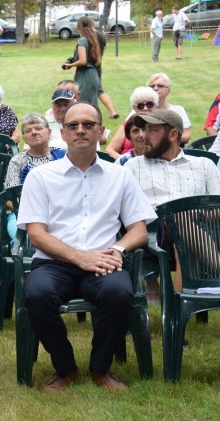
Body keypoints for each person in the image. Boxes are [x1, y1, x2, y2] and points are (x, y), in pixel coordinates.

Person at [16, 102, 156, 391]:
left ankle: (100, 368)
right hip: (54, 261)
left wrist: (117, 250)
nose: (80, 129)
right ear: (63, 134)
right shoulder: (41, 177)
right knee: (37, 295)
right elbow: (36, 234)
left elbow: (139, 231)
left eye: (89, 124)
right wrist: (79, 258)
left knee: (119, 293)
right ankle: (65, 368)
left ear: (102, 132)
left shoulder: (120, 175)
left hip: (103, 260)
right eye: (73, 125)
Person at [124, 109, 220, 291]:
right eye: (143, 129)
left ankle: (178, 308)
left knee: (182, 237)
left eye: (152, 130)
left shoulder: (203, 165)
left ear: (173, 134)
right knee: (177, 216)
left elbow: (218, 206)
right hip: (154, 233)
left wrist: (193, 215)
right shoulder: (133, 167)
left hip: (203, 229)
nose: (144, 135)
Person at [3, 113, 67, 239]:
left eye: (38, 128)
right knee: (23, 238)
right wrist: (32, 214)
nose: (34, 132)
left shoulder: (64, 157)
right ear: (24, 138)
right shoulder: (17, 161)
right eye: (28, 131)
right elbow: (10, 199)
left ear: (49, 132)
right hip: (22, 215)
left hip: (59, 213)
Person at [105, 86, 159, 158]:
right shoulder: (129, 124)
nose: (145, 108)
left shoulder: (161, 126)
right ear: (134, 108)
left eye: (149, 104)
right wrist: (126, 162)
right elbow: (110, 150)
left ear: (156, 106)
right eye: (140, 105)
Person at [61, 16, 100, 108]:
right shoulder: (93, 40)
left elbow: (83, 61)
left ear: (80, 27)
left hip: (85, 75)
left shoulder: (82, 40)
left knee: (82, 104)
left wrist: (70, 65)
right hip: (93, 74)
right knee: (92, 104)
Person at [146, 73, 192, 145]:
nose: (155, 88)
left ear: (168, 91)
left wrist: (163, 140)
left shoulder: (178, 110)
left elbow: (186, 135)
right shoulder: (142, 109)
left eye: (160, 86)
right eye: (152, 86)